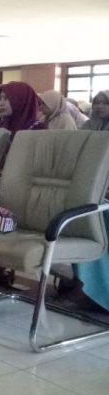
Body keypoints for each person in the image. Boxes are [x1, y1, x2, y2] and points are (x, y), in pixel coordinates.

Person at [74, 90, 109, 312]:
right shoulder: (88, 126)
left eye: (105, 103)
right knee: (83, 214)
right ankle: (84, 286)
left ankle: (97, 290)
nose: (99, 107)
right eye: (96, 102)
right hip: (91, 188)